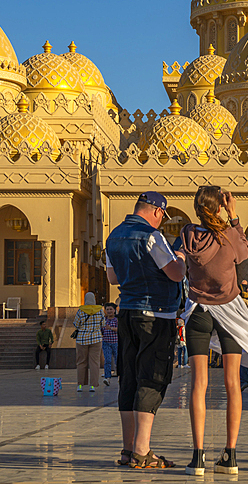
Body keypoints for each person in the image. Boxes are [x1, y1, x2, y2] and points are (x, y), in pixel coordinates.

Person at [178, 185, 248, 476]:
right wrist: (233, 216)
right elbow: (244, 253)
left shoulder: (188, 233)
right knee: (232, 384)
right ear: (219, 207)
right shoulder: (229, 237)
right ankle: (230, 455)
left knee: (199, 385)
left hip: (198, 313)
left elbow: (180, 257)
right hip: (230, 315)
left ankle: (198, 457)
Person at [106, 191, 185, 469]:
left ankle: (128, 449)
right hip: (155, 315)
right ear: (157, 212)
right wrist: (180, 257)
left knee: (128, 378)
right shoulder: (152, 236)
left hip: (126, 312)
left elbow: (113, 277)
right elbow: (175, 273)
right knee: (151, 377)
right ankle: (142, 450)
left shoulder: (113, 236)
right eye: (162, 217)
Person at [73, 292, 104, 392]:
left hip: (82, 339)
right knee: (94, 362)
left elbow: (76, 324)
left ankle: (80, 385)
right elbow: (103, 324)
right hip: (96, 339)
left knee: (81, 362)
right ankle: (93, 385)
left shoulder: (81, 311)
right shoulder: (100, 311)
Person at [101, 302, 120, 385]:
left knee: (118, 360)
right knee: (107, 360)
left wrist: (111, 328)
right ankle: (107, 377)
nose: (109, 311)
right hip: (106, 343)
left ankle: (120, 376)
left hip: (116, 342)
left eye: (110, 309)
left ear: (114, 310)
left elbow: (120, 329)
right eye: (107, 309)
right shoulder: (104, 320)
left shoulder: (117, 319)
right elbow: (101, 330)